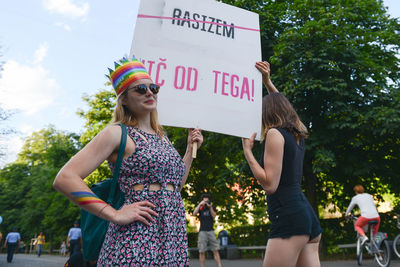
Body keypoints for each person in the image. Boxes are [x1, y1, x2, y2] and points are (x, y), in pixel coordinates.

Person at [53, 56, 203, 266]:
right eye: (140, 89)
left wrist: (189, 150)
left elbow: (174, 186)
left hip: (172, 236)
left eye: (153, 87)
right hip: (136, 236)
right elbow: (65, 178)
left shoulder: (162, 137)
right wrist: (113, 214)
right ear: (123, 99)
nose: (149, 92)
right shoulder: (116, 133)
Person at [242, 61, 322, 267]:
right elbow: (284, 108)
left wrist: (248, 152)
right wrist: (267, 82)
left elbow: (270, 185)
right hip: (306, 216)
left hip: (288, 216)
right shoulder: (297, 133)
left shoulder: (275, 134)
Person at [193, 193, 222, 267]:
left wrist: (210, 207)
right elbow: (194, 213)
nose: (206, 202)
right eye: (204, 200)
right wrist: (200, 204)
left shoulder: (212, 207)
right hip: (202, 231)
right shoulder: (201, 208)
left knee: (215, 250)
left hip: (211, 231)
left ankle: (219, 265)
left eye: (207, 200)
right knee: (202, 251)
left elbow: (214, 216)